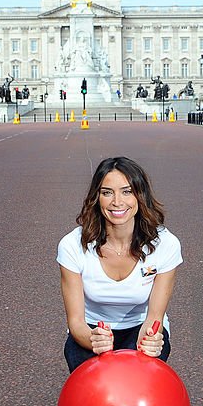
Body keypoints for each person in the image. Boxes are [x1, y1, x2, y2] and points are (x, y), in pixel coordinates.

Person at [57, 157, 182, 373]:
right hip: (93, 329)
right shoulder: (72, 245)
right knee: (96, 386)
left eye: (127, 191)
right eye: (107, 192)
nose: (117, 201)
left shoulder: (166, 244)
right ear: (97, 198)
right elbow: (76, 322)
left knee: (137, 377)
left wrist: (151, 339)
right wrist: (93, 339)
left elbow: (154, 317)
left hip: (140, 327)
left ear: (140, 196)